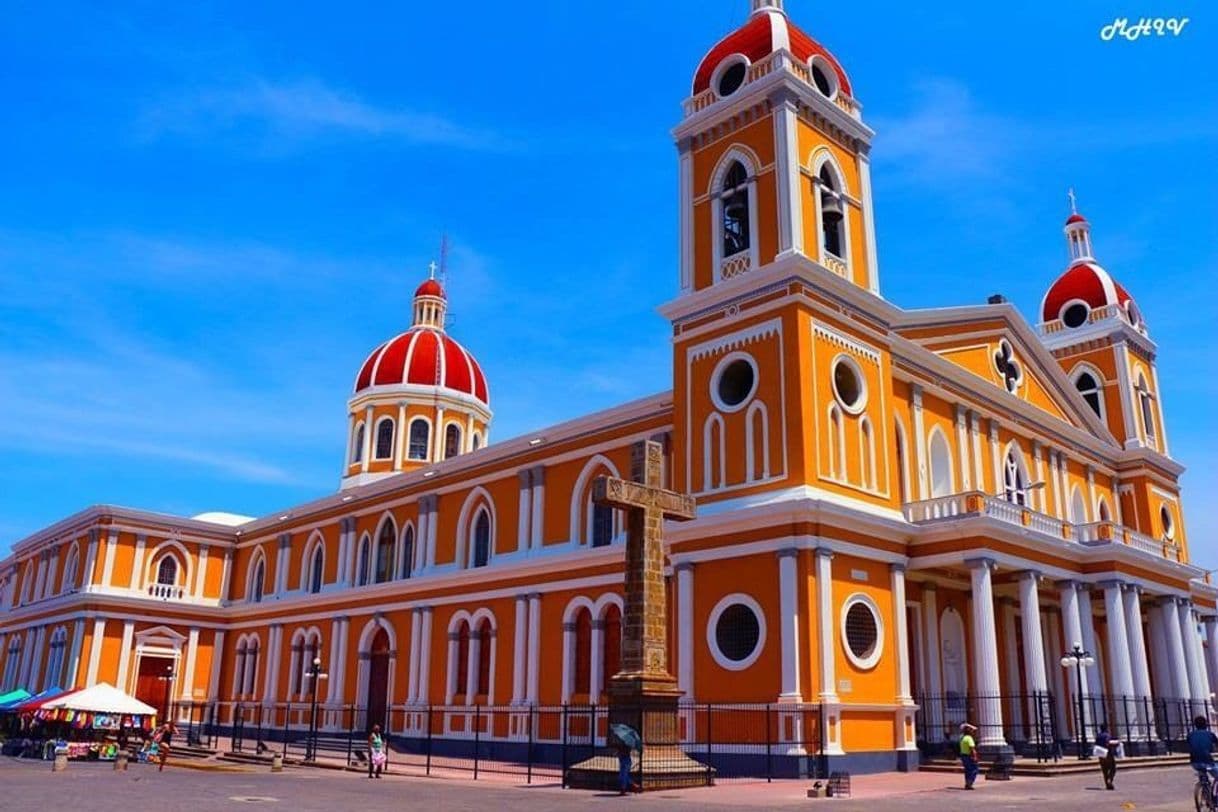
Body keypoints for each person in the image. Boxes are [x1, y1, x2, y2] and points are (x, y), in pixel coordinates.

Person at [1188, 716, 1218, 782]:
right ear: (1206, 724)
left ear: (1195, 725)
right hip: (1207, 761)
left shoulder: (1190, 735)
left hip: (1194, 763)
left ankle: (1203, 783)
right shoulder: (1210, 734)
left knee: (1201, 769)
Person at [1093, 723, 1118, 790]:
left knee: (1104, 770)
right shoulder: (1107, 735)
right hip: (1107, 753)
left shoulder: (1098, 736)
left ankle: (1107, 785)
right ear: (1106, 728)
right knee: (1113, 768)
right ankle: (1109, 780)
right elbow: (1108, 742)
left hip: (1100, 755)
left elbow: (1095, 744)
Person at [958, 722, 979, 790]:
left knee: (967, 770)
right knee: (974, 770)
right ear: (969, 731)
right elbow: (972, 749)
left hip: (963, 756)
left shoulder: (962, 738)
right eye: (971, 730)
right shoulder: (969, 738)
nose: (973, 732)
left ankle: (967, 783)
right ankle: (969, 783)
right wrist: (975, 757)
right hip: (969, 756)